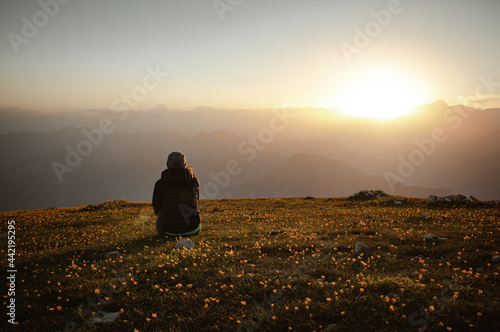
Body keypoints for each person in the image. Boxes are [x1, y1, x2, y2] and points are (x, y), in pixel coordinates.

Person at [152, 151, 201, 237]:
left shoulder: (161, 183)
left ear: (167, 164)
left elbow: (156, 207)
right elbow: (195, 202)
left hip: (168, 230)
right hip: (193, 229)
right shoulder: (193, 181)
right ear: (184, 164)